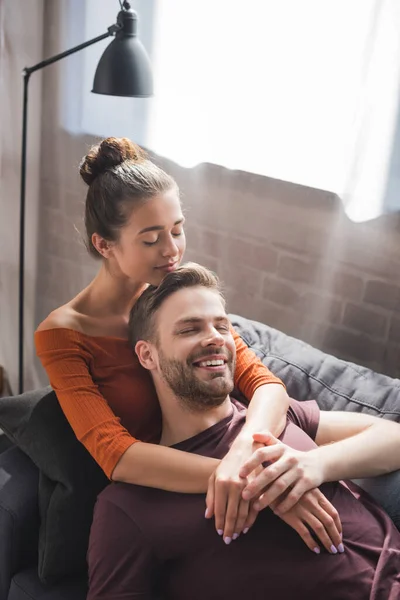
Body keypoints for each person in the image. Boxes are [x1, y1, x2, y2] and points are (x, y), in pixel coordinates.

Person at [34, 137, 340, 542]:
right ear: (103, 244)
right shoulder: (63, 335)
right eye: (151, 239)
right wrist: (253, 482)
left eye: (177, 230)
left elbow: (264, 384)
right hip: (176, 487)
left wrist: (243, 456)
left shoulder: (177, 291)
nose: (172, 250)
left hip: (235, 448)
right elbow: (116, 456)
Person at [88, 263, 400, 600]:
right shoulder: (128, 507)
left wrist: (314, 465)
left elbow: (392, 438)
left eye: (222, 326)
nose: (215, 338)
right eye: (190, 329)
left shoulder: (271, 416)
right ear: (148, 355)